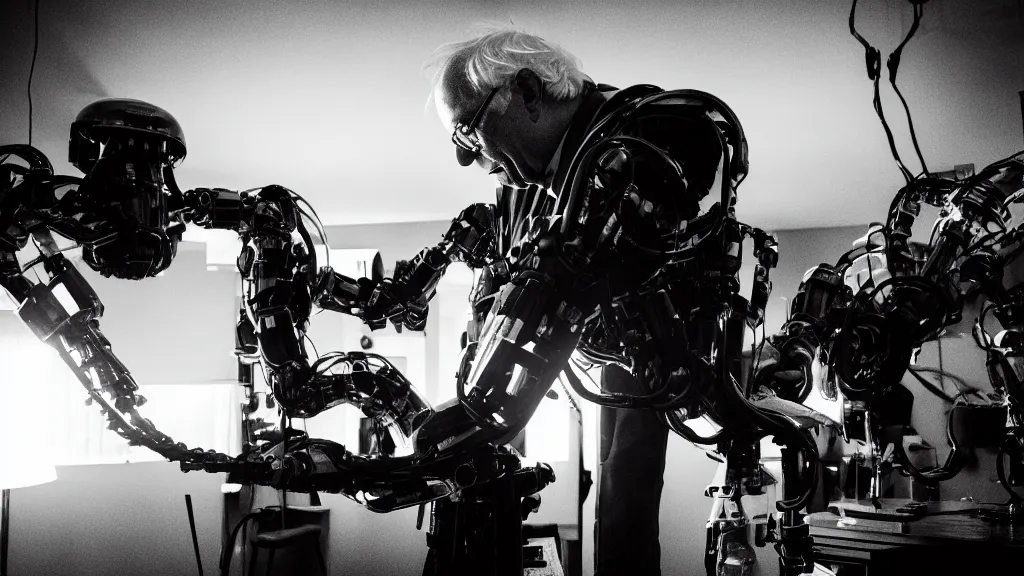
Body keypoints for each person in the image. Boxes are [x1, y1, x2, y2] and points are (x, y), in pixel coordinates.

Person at [425, 28, 726, 576]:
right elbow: (504, 280)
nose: (468, 161)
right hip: (598, 363)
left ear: (526, 92)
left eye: (469, 132)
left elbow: (584, 265)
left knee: (627, 496)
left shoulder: (662, 124)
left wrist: (480, 402)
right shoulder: (521, 190)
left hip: (651, 365)